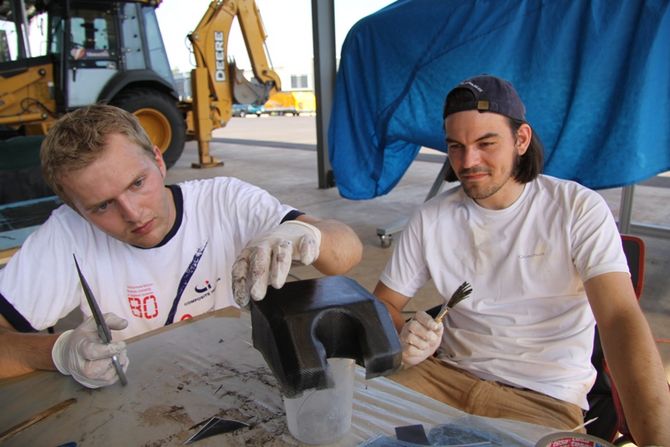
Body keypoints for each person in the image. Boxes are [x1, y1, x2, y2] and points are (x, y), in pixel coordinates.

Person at [374, 75, 670, 444]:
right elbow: (384, 302)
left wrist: (656, 438)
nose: (468, 161)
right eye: (456, 147)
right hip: (440, 377)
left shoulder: (576, 208)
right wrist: (400, 336)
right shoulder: (432, 217)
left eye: (486, 143)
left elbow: (619, 319)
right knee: (347, 427)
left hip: (541, 399)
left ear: (521, 139)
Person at [0, 104, 362, 389]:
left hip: (243, 380)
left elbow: (347, 254)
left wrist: (308, 235)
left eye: (138, 182)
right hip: (140, 400)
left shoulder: (225, 201)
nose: (133, 213)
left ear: (158, 160)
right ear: (77, 210)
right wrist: (60, 352)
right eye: (102, 206)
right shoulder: (67, 235)